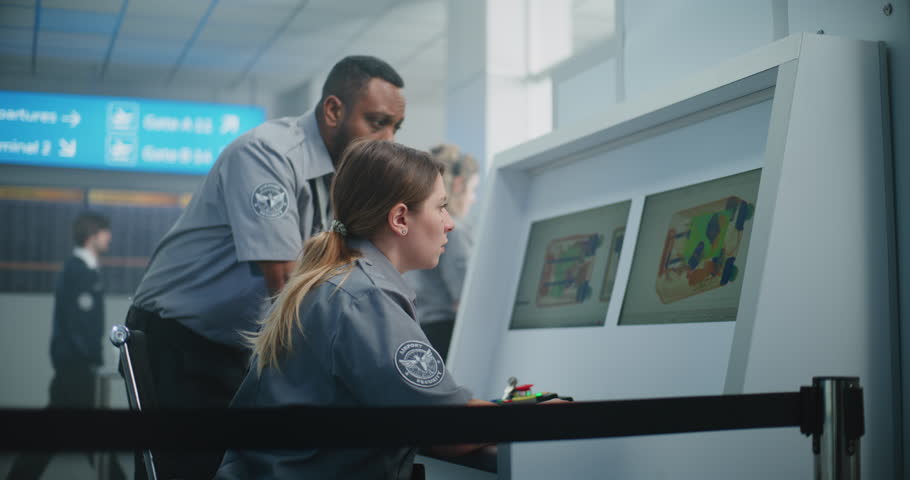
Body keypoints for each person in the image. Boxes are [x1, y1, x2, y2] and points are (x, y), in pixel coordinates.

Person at [124, 55, 406, 479]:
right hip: (182, 340)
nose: (387, 140)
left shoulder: (341, 178)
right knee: (195, 470)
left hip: (242, 345)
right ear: (333, 110)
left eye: (395, 128)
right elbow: (286, 282)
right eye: (377, 122)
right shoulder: (267, 153)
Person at [214, 139, 495, 479]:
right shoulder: (366, 299)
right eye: (440, 207)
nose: (449, 222)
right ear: (400, 218)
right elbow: (450, 430)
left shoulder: (340, 280)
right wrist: (538, 413)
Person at [6, 212, 126, 480]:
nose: (109, 237)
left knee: (76, 437)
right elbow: (78, 326)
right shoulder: (79, 271)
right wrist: (91, 361)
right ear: (92, 235)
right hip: (77, 370)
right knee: (79, 438)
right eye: (105, 232)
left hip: (74, 368)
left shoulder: (83, 270)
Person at [404, 144, 479, 360]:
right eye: (473, 190)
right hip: (444, 331)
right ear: (458, 185)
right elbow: (465, 295)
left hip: (420, 328)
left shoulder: (419, 226)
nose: (473, 198)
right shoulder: (454, 230)